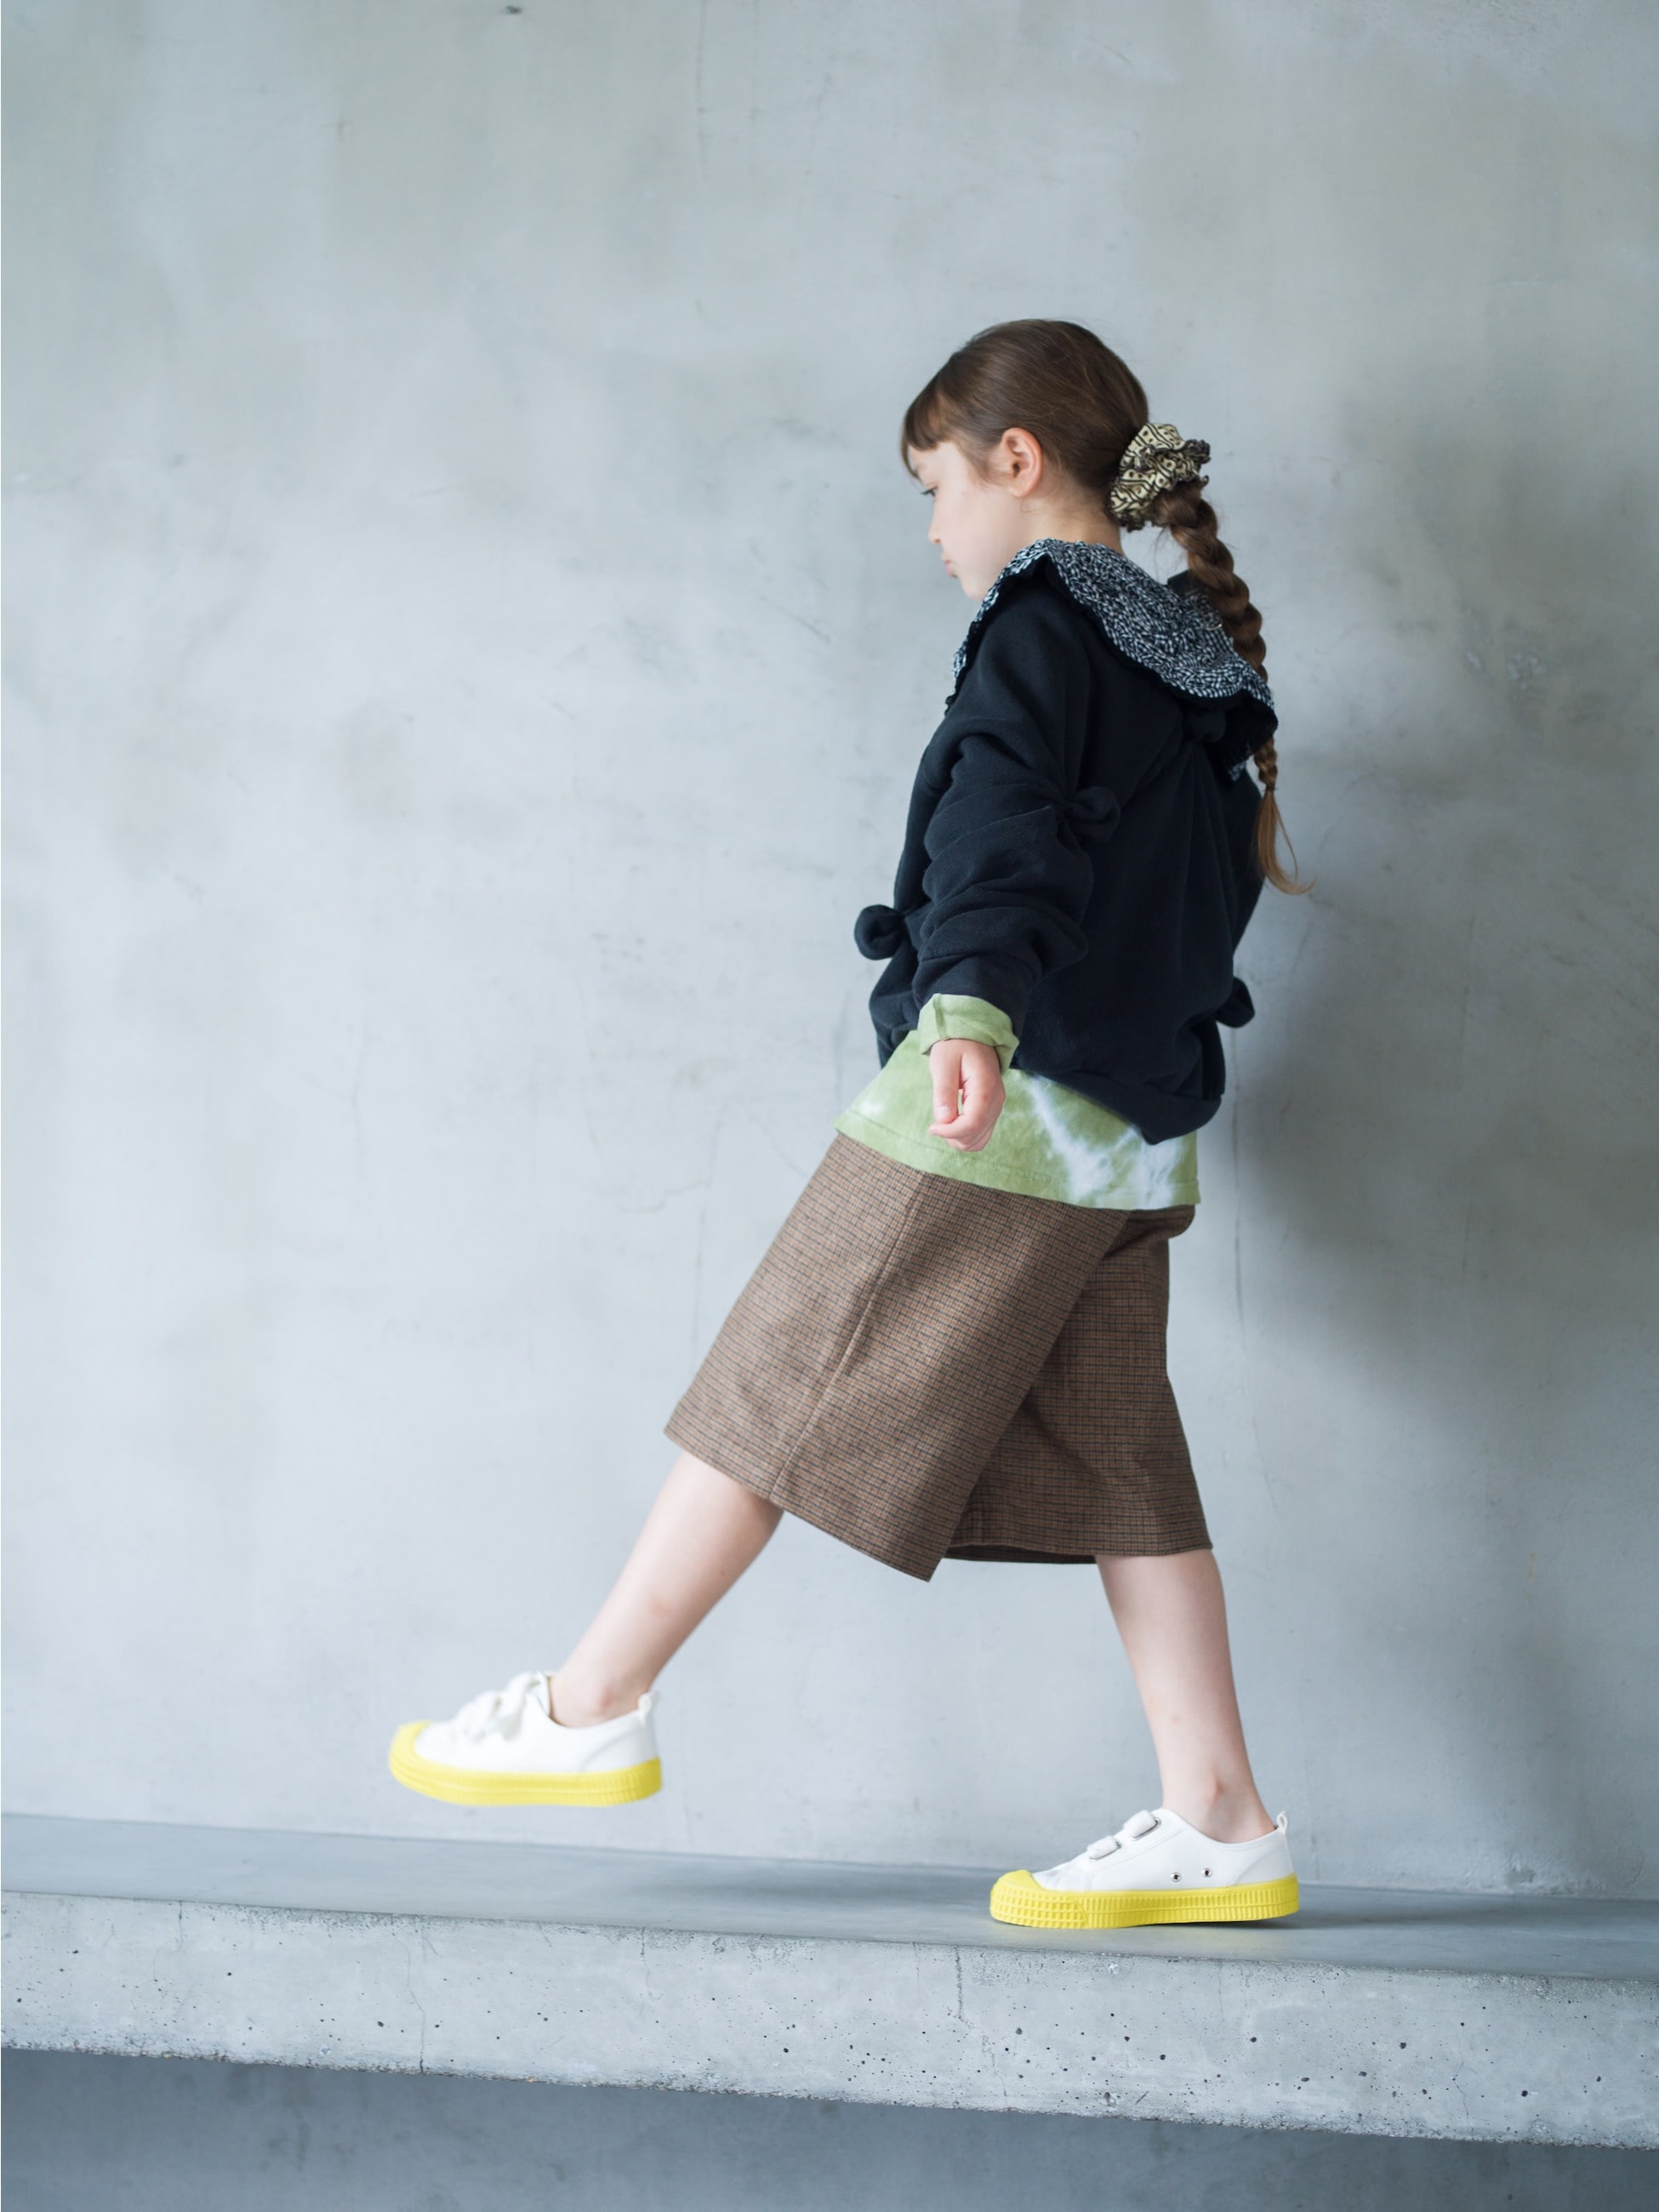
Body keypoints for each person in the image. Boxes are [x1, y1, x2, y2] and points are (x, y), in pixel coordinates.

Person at [389, 319, 1308, 1931]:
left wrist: (966, 1012)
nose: (934, 530)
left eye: (934, 487)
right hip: (1127, 1130)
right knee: (1121, 1464)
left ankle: (589, 1705)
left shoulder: (1043, 621)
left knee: (785, 1369)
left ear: (1015, 461)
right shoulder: (1190, 655)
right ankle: (1220, 1814)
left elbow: (1000, 826)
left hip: (1006, 1090)